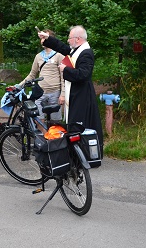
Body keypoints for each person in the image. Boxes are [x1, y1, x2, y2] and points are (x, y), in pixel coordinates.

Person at [37, 25, 104, 155]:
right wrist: (48, 38)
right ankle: (76, 152)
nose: (68, 40)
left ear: (77, 39)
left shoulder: (86, 53)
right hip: (76, 94)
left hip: (82, 96)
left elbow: (84, 74)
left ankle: (82, 152)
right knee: (74, 123)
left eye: (69, 38)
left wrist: (65, 69)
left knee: (79, 125)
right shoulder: (77, 50)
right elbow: (63, 48)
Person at [18, 29, 65, 120]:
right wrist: (18, 86)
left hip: (55, 92)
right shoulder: (38, 56)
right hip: (40, 92)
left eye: (45, 38)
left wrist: (62, 94)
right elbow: (32, 75)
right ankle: (42, 130)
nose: (42, 40)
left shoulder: (59, 55)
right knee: (38, 119)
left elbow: (63, 77)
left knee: (55, 121)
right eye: (41, 38)